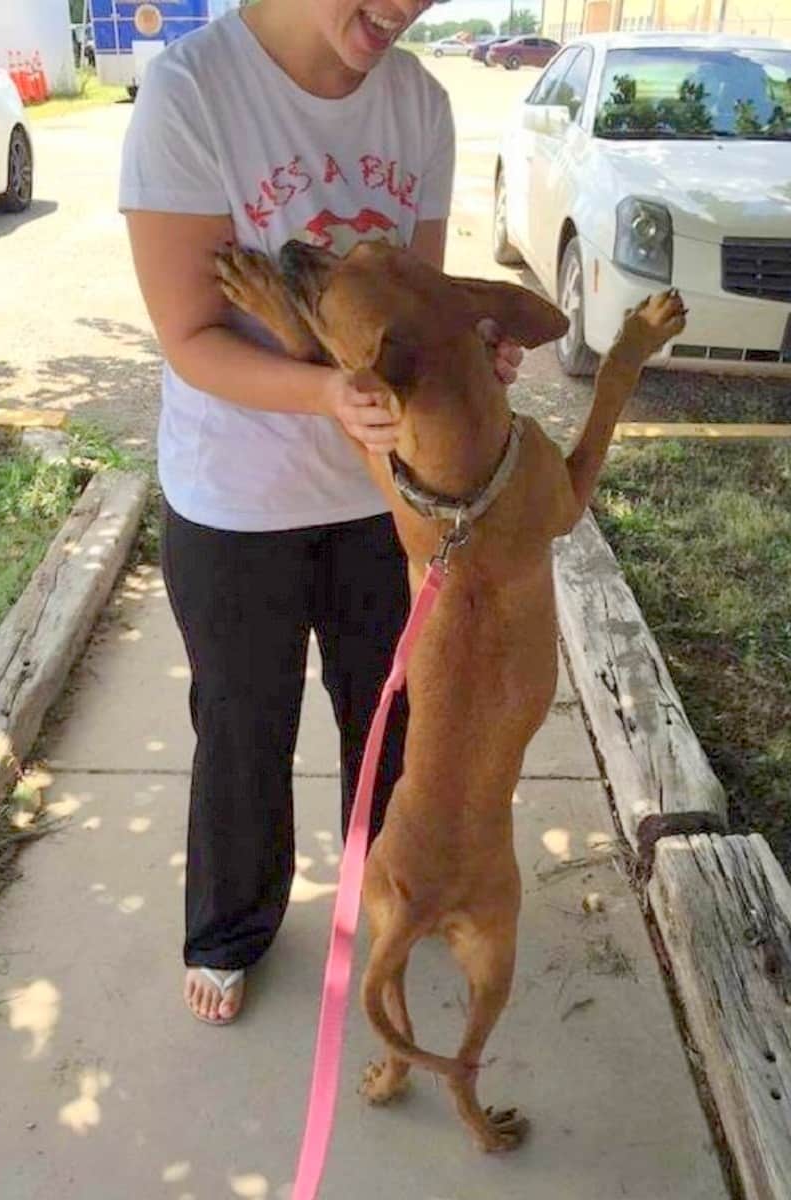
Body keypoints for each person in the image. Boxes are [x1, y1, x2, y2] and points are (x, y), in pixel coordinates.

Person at [120, 0, 521, 1026]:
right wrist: (323, 392)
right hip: (232, 496)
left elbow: (414, 305)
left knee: (387, 723)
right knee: (242, 726)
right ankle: (229, 927)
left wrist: (470, 352)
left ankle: (386, 891)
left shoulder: (419, 106)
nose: (407, 7)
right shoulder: (191, 91)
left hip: (380, 499)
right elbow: (190, 332)